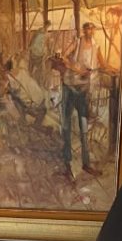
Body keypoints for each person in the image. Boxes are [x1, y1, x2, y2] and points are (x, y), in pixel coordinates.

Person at [50, 22, 106, 179]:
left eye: (92, 29)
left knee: (84, 128)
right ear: (84, 30)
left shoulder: (96, 46)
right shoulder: (77, 42)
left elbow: (103, 64)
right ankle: (67, 165)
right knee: (66, 127)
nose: (90, 31)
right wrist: (77, 69)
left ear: (94, 31)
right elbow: (63, 58)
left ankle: (86, 164)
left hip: (82, 91)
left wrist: (111, 69)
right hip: (69, 88)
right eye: (87, 28)